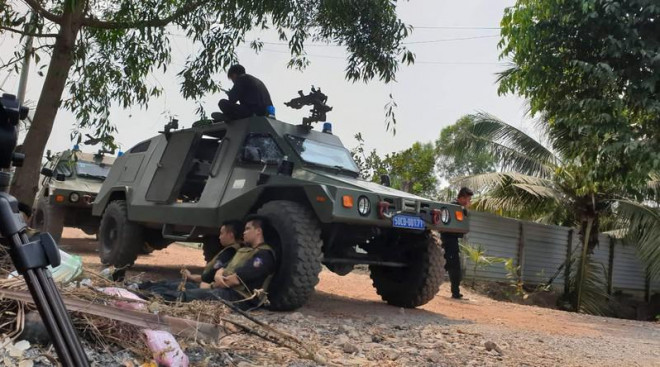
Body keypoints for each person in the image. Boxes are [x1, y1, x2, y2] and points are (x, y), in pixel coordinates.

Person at [138, 220, 243, 294]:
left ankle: (139, 289)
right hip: (207, 285)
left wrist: (192, 277)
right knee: (169, 284)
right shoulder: (234, 250)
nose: (219, 237)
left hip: (207, 287)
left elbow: (208, 277)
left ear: (231, 235)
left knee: (169, 288)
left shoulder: (230, 251)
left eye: (221, 233)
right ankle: (140, 287)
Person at [441, 187, 473, 299]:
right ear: (462, 197)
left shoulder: (460, 208)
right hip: (448, 239)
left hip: (452, 239)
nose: (468, 201)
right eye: (467, 199)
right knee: (454, 266)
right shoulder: (452, 207)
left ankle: (455, 291)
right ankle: (455, 292)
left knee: (447, 265)